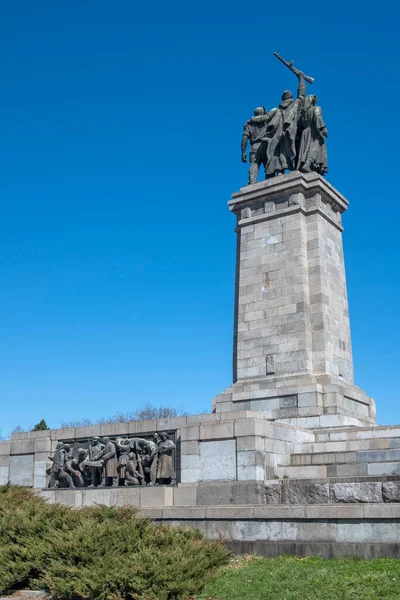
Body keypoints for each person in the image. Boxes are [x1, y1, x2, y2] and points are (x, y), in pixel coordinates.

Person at [277, 71, 306, 173]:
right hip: (293, 130)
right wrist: (301, 79)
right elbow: (302, 94)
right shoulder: (295, 103)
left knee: (282, 150)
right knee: (295, 148)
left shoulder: (278, 110)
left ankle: (281, 170)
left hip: (280, 132)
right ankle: (295, 167)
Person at [296, 94, 328, 175]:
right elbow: (318, 117)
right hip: (314, 131)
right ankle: (307, 164)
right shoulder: (316, 108)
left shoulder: (302, 114)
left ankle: (307, 165)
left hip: (305, 132)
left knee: (306, 149)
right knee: (315, 148)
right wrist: (323, 129)